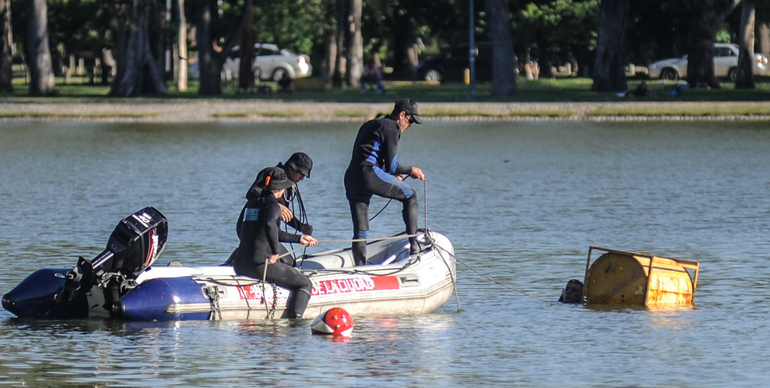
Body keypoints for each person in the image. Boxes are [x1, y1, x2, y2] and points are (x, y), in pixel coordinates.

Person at [344, 98, 425, 265]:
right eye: (410, 121)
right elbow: (393, 166)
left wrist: (389, 173)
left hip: (352, 177)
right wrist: (411, 170)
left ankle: (360, 267)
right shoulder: (391, 127)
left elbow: (369, 154)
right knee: (410, 196)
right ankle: (414, 244)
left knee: (360, 230)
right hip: (369, 174)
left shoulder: (370, 124)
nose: (410, 126)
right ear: (402, 115)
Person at [232, 167, 318, 319]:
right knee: (305, 283)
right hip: (258, 265)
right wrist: (275, 252)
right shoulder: (272, 206)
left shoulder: (252, 204)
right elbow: (270, 226)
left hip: (240, 263)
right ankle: (295, 322)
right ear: (280, 188)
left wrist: (299, 238)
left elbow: (264, 230)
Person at [223, 152, 314, 266]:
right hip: (249, 229)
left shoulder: (287, 185)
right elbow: (251, 194)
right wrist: (276, 205)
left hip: (268, 233)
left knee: (289, 262)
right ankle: (236, 258)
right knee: (288, 263)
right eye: (301, 173)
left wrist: (300, 227)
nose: (302, 178)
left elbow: (285, 215)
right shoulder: (271, 173)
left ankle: (243, 256)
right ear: (292, 167)